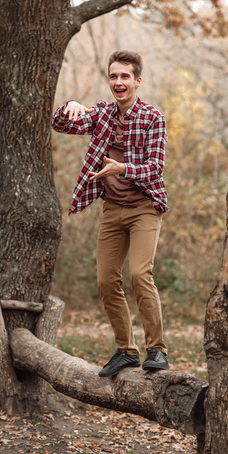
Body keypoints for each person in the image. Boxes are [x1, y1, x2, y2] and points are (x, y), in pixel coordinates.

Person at [51, 50, 169, 377]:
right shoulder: (102, 113)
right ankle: (126, 350)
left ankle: (157, 350)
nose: (119, 82)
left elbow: (155, 168)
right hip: (112, 210)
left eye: (125, 77)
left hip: (145, 208)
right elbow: (60, 124)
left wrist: (123, 168)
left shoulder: (152, 117)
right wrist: (70, 105)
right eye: (114, 76)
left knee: (139, 275)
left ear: (137, 81)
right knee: (106, 279)